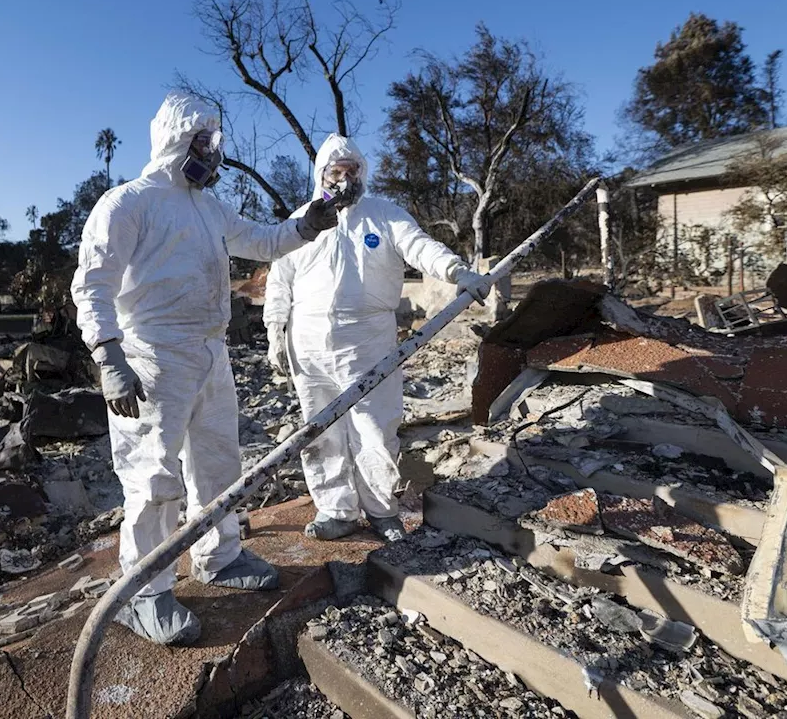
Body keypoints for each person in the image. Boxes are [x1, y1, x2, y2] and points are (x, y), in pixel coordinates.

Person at [70, 93, 340, 646]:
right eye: (204, 142)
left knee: (217, 465)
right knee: (152, 478)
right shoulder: (127, 203)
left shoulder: (208, 208)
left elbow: (262, 241)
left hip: (210, 352)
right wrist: (108, 356)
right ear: (177, 139)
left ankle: (218, 556)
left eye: (215, 143)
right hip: (152, 356)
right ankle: (142, 591)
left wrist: (306, 224)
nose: (213, 154)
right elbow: (92, 283)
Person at [263, 134, 490, 543]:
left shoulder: (384, 215)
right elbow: (280, 280)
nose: (346, 179)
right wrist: (274, 330)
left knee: (374, 428)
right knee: (320, 432)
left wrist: (458, 272)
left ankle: (382, 511)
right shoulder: (302, 221)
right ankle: (336, 510)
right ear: (322, 176)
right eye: (337, 172)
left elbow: (420, 247)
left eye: (353, 171)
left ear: (362, 173)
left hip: (368, 339)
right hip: (308, 341)